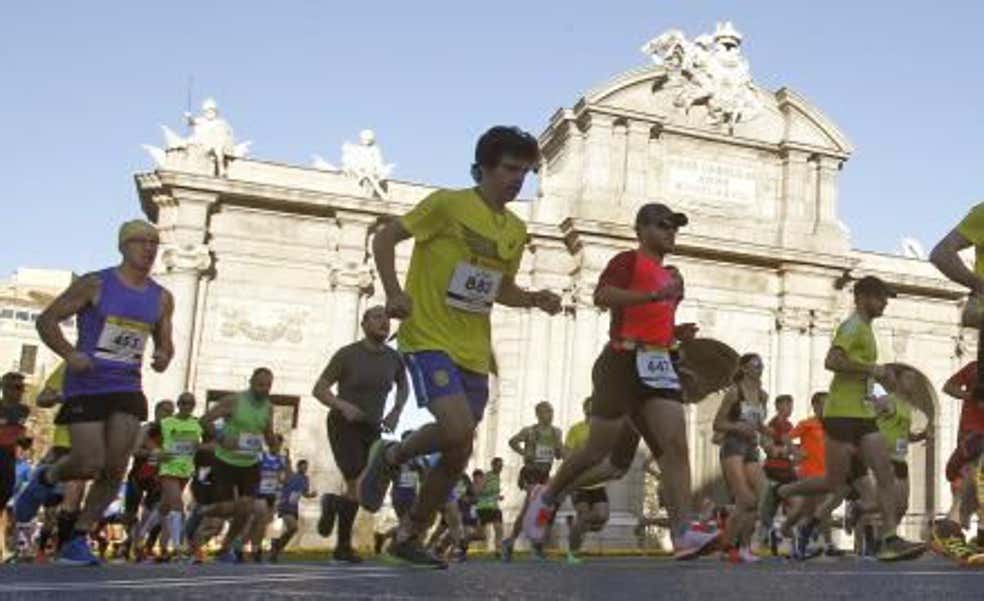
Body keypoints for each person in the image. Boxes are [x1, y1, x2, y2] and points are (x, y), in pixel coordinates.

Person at [359, 125, 561, 567]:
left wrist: (533, 298)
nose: (517, 179)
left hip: (473, 349)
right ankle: (392, 454)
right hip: (428, 337)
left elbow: (500, 287)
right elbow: (386, 237)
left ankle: (409, 534)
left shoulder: (516, 228)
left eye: (525, 172)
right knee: (456, 430)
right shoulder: (447, 205)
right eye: (509, 169)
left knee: (457, 449)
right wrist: (394, 291)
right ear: (483, 168)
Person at [522, 202, 718, 560]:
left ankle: (683, 532)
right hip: (621, 360)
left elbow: (652, 320)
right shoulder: (627, 262)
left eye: (674, 227)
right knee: (599, 449)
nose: (670, 232)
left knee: (675, 447)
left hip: (657, 362)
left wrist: (676, 333)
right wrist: (652, 295)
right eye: (662, 225)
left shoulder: (673, 277)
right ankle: (546, 496)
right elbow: (602, 297)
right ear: (640, 229)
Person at [15, 219, 175, 566]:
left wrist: (162, 356)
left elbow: (166, 344)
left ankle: (77, 537)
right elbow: (47, 320)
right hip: (87, 383)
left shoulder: (162, 298)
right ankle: (46, 477)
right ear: (123, 246)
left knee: (116, 467)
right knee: (89, 461)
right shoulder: (95, 283)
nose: (148, 248)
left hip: (127, 385)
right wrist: (70, 354)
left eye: (154, 242)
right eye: (140, 241)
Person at [777, 276, 924, 561]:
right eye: (880, 297)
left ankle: (889, 539)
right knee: (834, 483)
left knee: (883, 473)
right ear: (862, 297)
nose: (885, 304)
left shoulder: (867, 330)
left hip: (862, 413)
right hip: (842, 413)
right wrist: (872, 369)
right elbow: (831, 361)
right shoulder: (853, 326)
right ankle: (782, 490)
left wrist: (874, 375)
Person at [313, 305, 408, 564]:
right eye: (377, 316)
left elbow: (403, 386)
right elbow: (319, 389)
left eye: (387, 318)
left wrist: (396, 412)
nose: (384, 321)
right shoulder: (347, 354)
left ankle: (333, 503)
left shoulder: (393, 358)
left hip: (372, 427)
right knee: (356, 481)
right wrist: (343, 406)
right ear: (363, 324)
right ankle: (343, 547)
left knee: (361, 490)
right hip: (344, 424)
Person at [194, 367, 277, 562]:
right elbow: (205, 420)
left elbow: (267, 430)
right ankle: (204, 510)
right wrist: (221, 437)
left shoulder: (269, 407)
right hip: (226, 461)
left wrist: (272, 444)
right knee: (229, 506)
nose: (264, 389)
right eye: (260, 384)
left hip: (250, 463)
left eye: (268, 385)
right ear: (250, 383)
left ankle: (226, 545)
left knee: (246, 508)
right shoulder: (235, 401)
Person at [713, 353, 768, 563]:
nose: (759, 368)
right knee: (746, 498)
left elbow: (760, 425)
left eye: (761, 365)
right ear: (744, 368)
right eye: (755, 365)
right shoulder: (734, 393)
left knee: (761, 495)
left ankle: (739, 547)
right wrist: (738, 427)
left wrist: (772, 438)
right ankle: (728, 547)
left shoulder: (763, 395)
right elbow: (717, 424)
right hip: (733, 445)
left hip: (752, 447)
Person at [934, 360, 984, 560]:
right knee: (975, 475)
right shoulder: (974, 368)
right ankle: (950, 529)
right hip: (974, 433)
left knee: (973, 485)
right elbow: (949, 387)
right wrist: (971, 396)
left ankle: (960, 530)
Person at [502, 402, 564, 558]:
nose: (549, 415)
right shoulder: (529, 431)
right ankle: (511, 541)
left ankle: (536, 544)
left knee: (545, 508)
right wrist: (524, 452)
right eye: (545, 412)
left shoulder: (556, 432)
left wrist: (566, 453)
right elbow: (512, 441)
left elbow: (558, 453)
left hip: (545, 474)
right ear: (538, 414)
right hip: (531, 472)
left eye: (551, 412)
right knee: (530, 505)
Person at [155, 392, 202, 560]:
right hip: (168, 468)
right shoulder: (167, 422)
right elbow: (147, 437)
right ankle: (177, 547)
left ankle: (142, 535)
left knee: (164, 507)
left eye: (190, 404)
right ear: (179, 404)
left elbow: (200, 446)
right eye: (183, 403)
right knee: (177, 505)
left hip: (186, 470)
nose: (187, 406)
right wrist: (156, 452)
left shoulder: (197, 424)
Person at [564, 398, 610, 565]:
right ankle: (572, 553)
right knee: (583, 516)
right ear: (584, 409)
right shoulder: (576, 429)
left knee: (602, 518)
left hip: (597, 482)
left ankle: (575, 527)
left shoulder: (604, 430)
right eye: (590, 407)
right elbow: (567, 453)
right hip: (579, 483)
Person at [270, 458, 316, 562]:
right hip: (284, 506)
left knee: (292, 530)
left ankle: (276, 548)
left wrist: (311, 495)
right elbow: (281, 479)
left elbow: (304, 493)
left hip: (294, 508)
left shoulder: (305, 479)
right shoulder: (291, 476)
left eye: (306, 467)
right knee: (293, 527)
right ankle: (276, 546)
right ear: (298, 467)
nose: (304, 469)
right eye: (303, 466)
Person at [251, 435, 287, 562]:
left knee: (268, 523)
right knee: (259, 521)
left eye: (279, 445)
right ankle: (256, 549)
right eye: (275, 444)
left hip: (272, 494)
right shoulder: (262, 457)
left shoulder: (281, 460)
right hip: (259, 493)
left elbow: (284, 478)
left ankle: (263, 548)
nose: (277, 447)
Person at [474, 457, 504, 556]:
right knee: (480, 535)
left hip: (494, 507)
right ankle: (463, 541)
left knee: (499, 528)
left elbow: (494, 492)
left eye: (501, 466)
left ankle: (498, 550)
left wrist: (498, 497)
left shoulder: (498, 477)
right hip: (483, 507)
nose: (500, 468)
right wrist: (483, 491)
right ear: (493, 465)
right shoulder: (487, 476)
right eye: (498, 466)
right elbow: (478, 491)